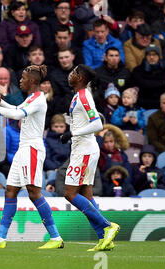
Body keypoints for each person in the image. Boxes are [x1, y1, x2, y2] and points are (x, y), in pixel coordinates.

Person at [0, 64, 64, 249]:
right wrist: (1, 102)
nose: (20, 80)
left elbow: (17, 114)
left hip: (32, 149)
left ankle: (56, 238)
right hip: (23, 149)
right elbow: (17, 108)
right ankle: (1, 238)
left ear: (32, 81)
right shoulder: (31, 97)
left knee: (34, 193)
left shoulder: (39, 99)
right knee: (10, 191)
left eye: (23, 78)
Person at [59, 64, 120, 251]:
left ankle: (108, 225)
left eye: (75, 72)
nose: (71, 74)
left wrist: (73, 133)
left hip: (84, 150)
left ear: (81, 78)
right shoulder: (78, 95)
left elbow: (97, 124)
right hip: (82, 149)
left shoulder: (84, 96)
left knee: (70, 193)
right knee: (86, 195)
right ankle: (104, 238)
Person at [129, 44, 165, 110]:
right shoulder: (137, 70)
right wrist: (162, 84)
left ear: (159, 56)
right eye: (149, 55)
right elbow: (134, 87)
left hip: (162, 106)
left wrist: (146, 84)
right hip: (142, 106)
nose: (152, 57)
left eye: (154, 54)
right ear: (145, 56)